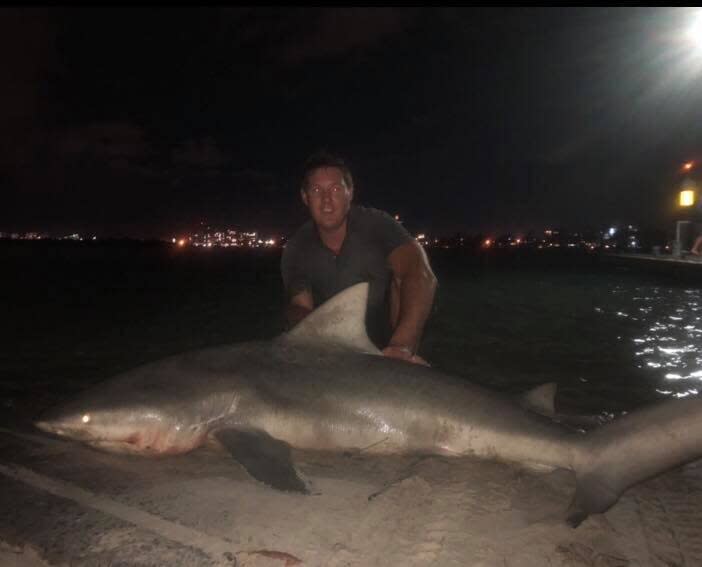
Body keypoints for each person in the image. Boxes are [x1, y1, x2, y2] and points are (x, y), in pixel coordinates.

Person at [281, 151, 437, 365]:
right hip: (333, 346)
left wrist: (401, 346)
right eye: (317, 190)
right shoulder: (296, 248)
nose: (327, 200)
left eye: (335, 189)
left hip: (391, 344)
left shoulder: (377, 225)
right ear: (305, 197)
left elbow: (421, 275)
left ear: (350, 193)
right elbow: (301, 305)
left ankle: (404, 357)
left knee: (405, 275)